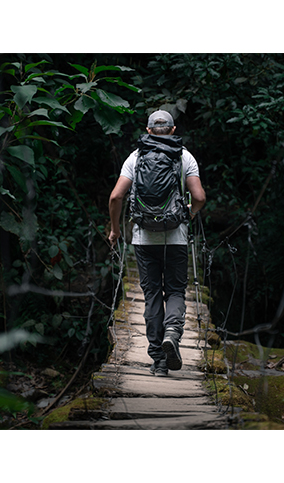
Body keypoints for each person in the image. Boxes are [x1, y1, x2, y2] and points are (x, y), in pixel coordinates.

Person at [108, 110, 206, 376]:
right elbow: (199, 196)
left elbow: (116, 197)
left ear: (149, 130)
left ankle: (158, 362)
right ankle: (172, 333)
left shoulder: (136, 157)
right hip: (176, 236)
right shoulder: (184, 156)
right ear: (173, 130)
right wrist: (191, 213)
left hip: (143, 238)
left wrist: (116, 230)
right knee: (174, 291)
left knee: (151, 295)